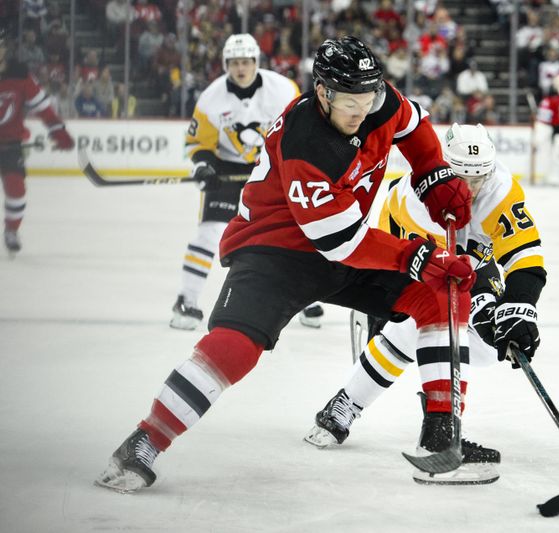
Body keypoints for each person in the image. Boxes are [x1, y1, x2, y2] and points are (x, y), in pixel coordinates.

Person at [96, 35, 478, 494]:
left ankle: (441, 431)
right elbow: (341, 241)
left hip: (342, 243)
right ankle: (143, 442)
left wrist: (433, 173)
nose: (363, 114)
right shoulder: (306, 142)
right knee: (235, 348)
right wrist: (418, 255)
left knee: (442, 293)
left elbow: (412, 126)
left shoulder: (377, 100)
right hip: (276, 250)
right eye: (350, 106)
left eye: (369, 100)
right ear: (323, 93)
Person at [305, 123, 546, 484]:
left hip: (473, 264)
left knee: (484, 344)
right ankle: (441, 438)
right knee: (429, 324)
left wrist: (518, 306)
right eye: (462, 179)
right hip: (410, 265)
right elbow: (438, 274)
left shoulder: (499, 188)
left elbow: (524, 253)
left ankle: (346, 405)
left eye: (478, 179)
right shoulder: (416, 202)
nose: (471, 189)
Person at [169, 33, 323, 330]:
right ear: (227, 64)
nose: (241, 68)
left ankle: (308, 299)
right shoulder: (212, 98)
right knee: (210, 232)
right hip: (227, 168)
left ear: (256, 62)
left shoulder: (282, 89)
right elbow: (199, 143)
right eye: (235, 62)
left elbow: (300, 128)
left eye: (246, 62)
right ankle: (186, 300)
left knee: (296, 229)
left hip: (271, 168)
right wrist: (205, 166)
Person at [0, 30, 74, 256]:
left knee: (17, 189)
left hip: (9, 145)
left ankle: (11, 231)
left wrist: (57, 129)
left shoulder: (20, 75)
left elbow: (42, 107)